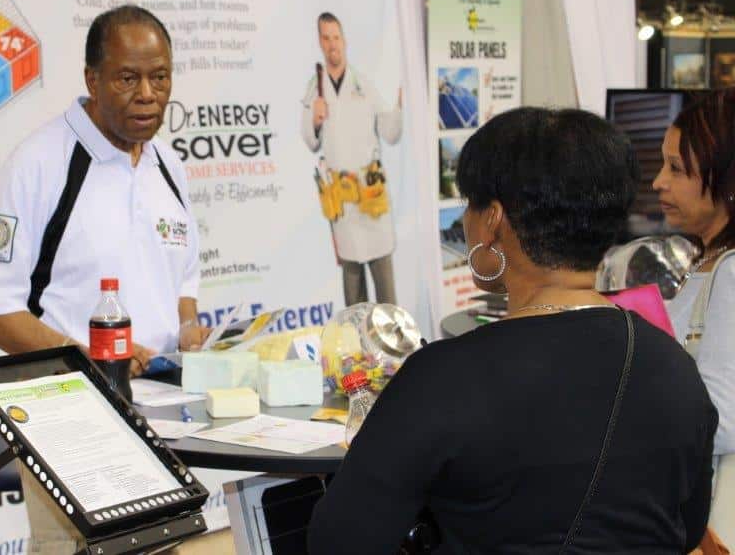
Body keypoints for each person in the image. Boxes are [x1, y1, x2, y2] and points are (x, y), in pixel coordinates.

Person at [309, 107, 717, 554]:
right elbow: (689, 527)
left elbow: (338, 541)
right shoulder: (675, 368)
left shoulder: (443, 377)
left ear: (493, 220)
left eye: (470, 204)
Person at [0, 5, 210, 554]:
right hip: (68, 421)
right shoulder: (39, 163)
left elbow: (184, 270)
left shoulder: (169, 164)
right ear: (92, 79)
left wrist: (188, 325)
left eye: (160, 77)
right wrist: (85, 361)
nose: (147, 93)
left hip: (166, 417)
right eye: (127, 77)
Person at [654, 90, 735, 465]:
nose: (658, 182)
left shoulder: (730, 271)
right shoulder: (711, 259)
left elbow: (721, 420)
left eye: (677, 169)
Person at [300, 12, 403, 305]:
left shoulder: (364, 84)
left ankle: (393, 347)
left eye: (336, 37)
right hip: (341, 197)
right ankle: (358, 348)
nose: (332, 44)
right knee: (353, 284)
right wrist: (316, 121)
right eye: (326, 38)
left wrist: (400, 106)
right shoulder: (314, 88)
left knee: (385, 285)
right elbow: (309, 140)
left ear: (344, 41)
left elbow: (391, 132)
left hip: (370, 193)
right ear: (320, 43)